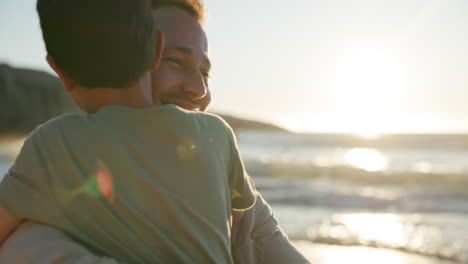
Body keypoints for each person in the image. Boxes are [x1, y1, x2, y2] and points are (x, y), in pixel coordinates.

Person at [0, 0, 309, 263]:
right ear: (150, 51)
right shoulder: (36, 238)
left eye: (205, 71)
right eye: (174, 61)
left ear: (59, 70)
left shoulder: (52, 149)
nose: (199, 89)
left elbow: (260, 232)